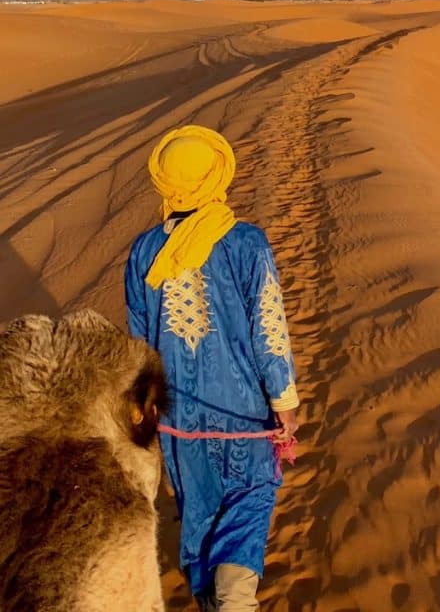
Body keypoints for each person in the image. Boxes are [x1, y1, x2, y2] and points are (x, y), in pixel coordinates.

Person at [125, 125, 299, 612]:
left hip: (180, 426)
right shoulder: (246, 243)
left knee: (199, 519)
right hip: (243, 415)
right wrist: (284, 403)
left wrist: (148, 415)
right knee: (247, 508)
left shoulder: (142, 253)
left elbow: (139, 349)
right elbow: (270, 328)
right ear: (217, 173)